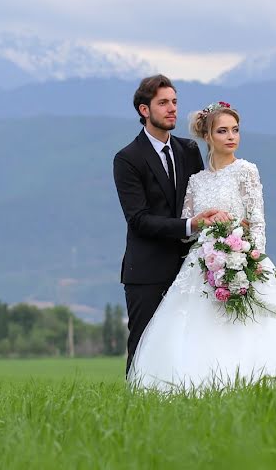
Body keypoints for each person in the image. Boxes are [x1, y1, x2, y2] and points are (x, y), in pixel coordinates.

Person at [127, 101, 276, 391]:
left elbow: (257, 222)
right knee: (200, 330)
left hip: (244, 258)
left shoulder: (246, 171)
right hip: (202, 263)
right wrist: (204, 224)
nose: (231, 137)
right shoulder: (196, 181)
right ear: (207, 136)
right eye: (222, 131)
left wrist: (250, 258)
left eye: (235, 130)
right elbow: (185, 232)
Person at [113, 75, 227, 374]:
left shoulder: (188, 150)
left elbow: (200, 198)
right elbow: (137, 220)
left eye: (174, 102)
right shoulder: (127, 159)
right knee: (144, 347)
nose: (172, 108)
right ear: (144, 110)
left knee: (188, 347)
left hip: (189, 269)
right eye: (163, 103)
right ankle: (134, 407)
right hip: (147, 271)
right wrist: (190, 224)